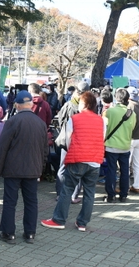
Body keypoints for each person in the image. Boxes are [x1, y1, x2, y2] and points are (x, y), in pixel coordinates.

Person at [40, 91, 105, 231]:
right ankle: (82, 223)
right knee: (90, 193)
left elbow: (68, 140)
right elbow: (102, 138)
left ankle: (59, 220)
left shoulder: (74, 119)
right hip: (94, 160)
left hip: (78, 158)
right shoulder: (101, 120)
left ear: (83, 104)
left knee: (67, 189)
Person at [0, 90, 48, 245]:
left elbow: (3, 148)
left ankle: (8, 233)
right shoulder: (41, 124)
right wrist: (41, 169)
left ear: (16, 104)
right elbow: (45, 151)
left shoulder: (12, 122)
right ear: (30, 104)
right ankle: (30, 233)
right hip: (33, 169)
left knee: (10, 201)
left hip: (13, 169)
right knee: (31, 201)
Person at [103, 88, 136, 203]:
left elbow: (104, 127)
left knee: (111, 171)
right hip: (125, 145)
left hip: (111, 145)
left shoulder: (110, 112)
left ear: (116, 98)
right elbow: (132, 128)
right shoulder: (132, 113)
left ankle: (110, 195)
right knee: (125, 171)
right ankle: (123, 195)